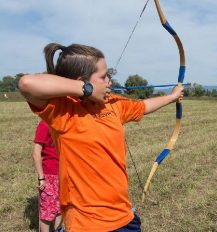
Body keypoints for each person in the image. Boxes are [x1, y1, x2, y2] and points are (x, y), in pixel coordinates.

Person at [19, 43, 184, 231]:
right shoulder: (63, 111)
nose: (109, 82)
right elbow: (27, 84)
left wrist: (171, 97)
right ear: (83, 81)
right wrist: (87, 89)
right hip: (87, 223)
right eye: (104, 76)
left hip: (124, 216)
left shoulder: (112, 104)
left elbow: (143, 106)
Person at [32, 120, 63, 231]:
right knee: (47, 209)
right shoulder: (45, 124)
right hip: (50, 173)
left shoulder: (64, 122)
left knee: (61, 205)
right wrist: (41, 177)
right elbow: (36, 153)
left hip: (64, 172)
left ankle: (58, 230)